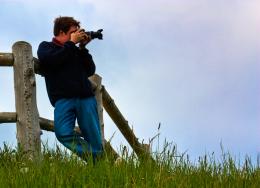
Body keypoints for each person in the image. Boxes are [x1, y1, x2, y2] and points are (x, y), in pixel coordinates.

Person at [37, 16, 103, 162]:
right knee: (63, 133)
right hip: (63, 100)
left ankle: (99, 166)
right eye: (74, 32)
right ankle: (99, 158)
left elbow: (90, 70)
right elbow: (51, 60)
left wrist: (82, 48)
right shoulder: (46, 47)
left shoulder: (74, 50)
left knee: (94, 137)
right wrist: (71, 43)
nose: (77, 35)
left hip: (85, 99)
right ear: (61, 32)